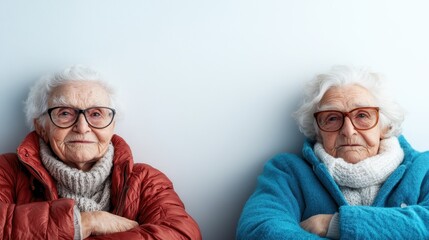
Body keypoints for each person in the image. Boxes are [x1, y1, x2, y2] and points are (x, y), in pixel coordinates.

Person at [0, 65, 202, 239]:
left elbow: (184, 234)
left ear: (112, 125)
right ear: (41, 127)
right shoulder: (8, 170)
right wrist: (85, 223)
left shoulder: (147, 181)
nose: (82, 126)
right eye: (65, 113)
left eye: (96, 114)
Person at [236, 65, 429, 239]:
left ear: (384, 126)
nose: (348, 130)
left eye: (362, 115)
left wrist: (333, 224)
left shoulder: (424, 167)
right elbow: (258, 230)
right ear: (317, 131)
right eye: (332, 118)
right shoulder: (287, 172)